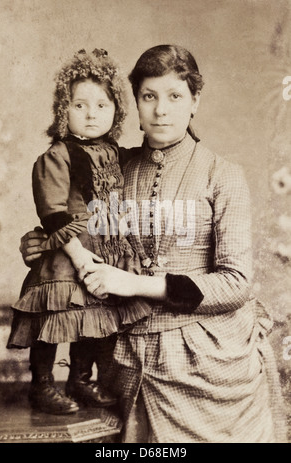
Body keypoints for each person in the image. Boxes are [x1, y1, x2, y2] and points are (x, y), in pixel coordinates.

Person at [19, 44, 287, 442]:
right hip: (122, 363)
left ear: (195, 101)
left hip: (210, 364)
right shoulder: (111, 167)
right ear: (136, 103)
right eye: (149, 96)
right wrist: (41, 245)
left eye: (175, 96)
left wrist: (136, 284)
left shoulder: (223, 175)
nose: (162, 110)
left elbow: (236, 283)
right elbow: (72, 220)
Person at [7, 48, 151, 415]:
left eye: (102, 106)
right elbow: (53, 212)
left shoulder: (116, 154)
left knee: (94, 322)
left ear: (116, 111)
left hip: (104, 255)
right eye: (80, 105)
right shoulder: (57, 155)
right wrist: (78, 253)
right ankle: (41, 386)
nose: (91, 114)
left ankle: (81, 380)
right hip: (68, 257)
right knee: (55, 320)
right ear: (63, 111)